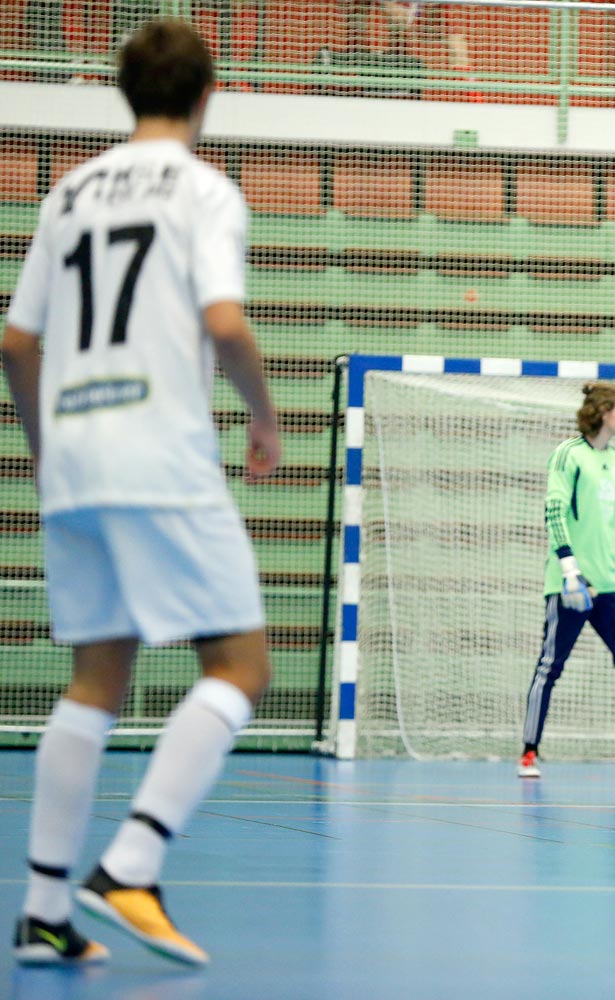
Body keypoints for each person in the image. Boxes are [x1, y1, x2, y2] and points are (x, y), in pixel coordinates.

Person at [5, 19, 280, 966]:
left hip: (75, 457)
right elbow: (224, 321)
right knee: (241, 666)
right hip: (160, 451)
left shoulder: (67, 193)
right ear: (208, 96)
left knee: (95, 680)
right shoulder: (204, 191)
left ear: (124, 93)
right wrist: (266, 418)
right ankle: (132, 860)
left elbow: (16, 341)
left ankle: (43, 910)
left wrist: (46, 449)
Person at [519, 383, 615, 778]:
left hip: (612, 584)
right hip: (571, 583)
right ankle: (529, 753)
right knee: (551, 665)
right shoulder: (568, 454)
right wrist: (568, 568)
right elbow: (554, 511)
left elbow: (613, 524)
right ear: (602, 412)